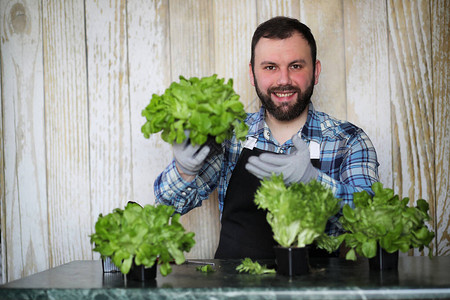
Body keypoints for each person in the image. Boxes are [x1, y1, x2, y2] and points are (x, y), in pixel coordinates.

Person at [154, 16, 379, 259]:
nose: (283, 80)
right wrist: (184, 169)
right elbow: (170, 206)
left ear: (315, 71)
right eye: (270, 67)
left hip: (317, 291)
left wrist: (315, 182)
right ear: (252, 74)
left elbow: (371, 221)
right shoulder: (230, 136)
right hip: (236, 291)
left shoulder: (348, 140)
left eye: (296, 66)